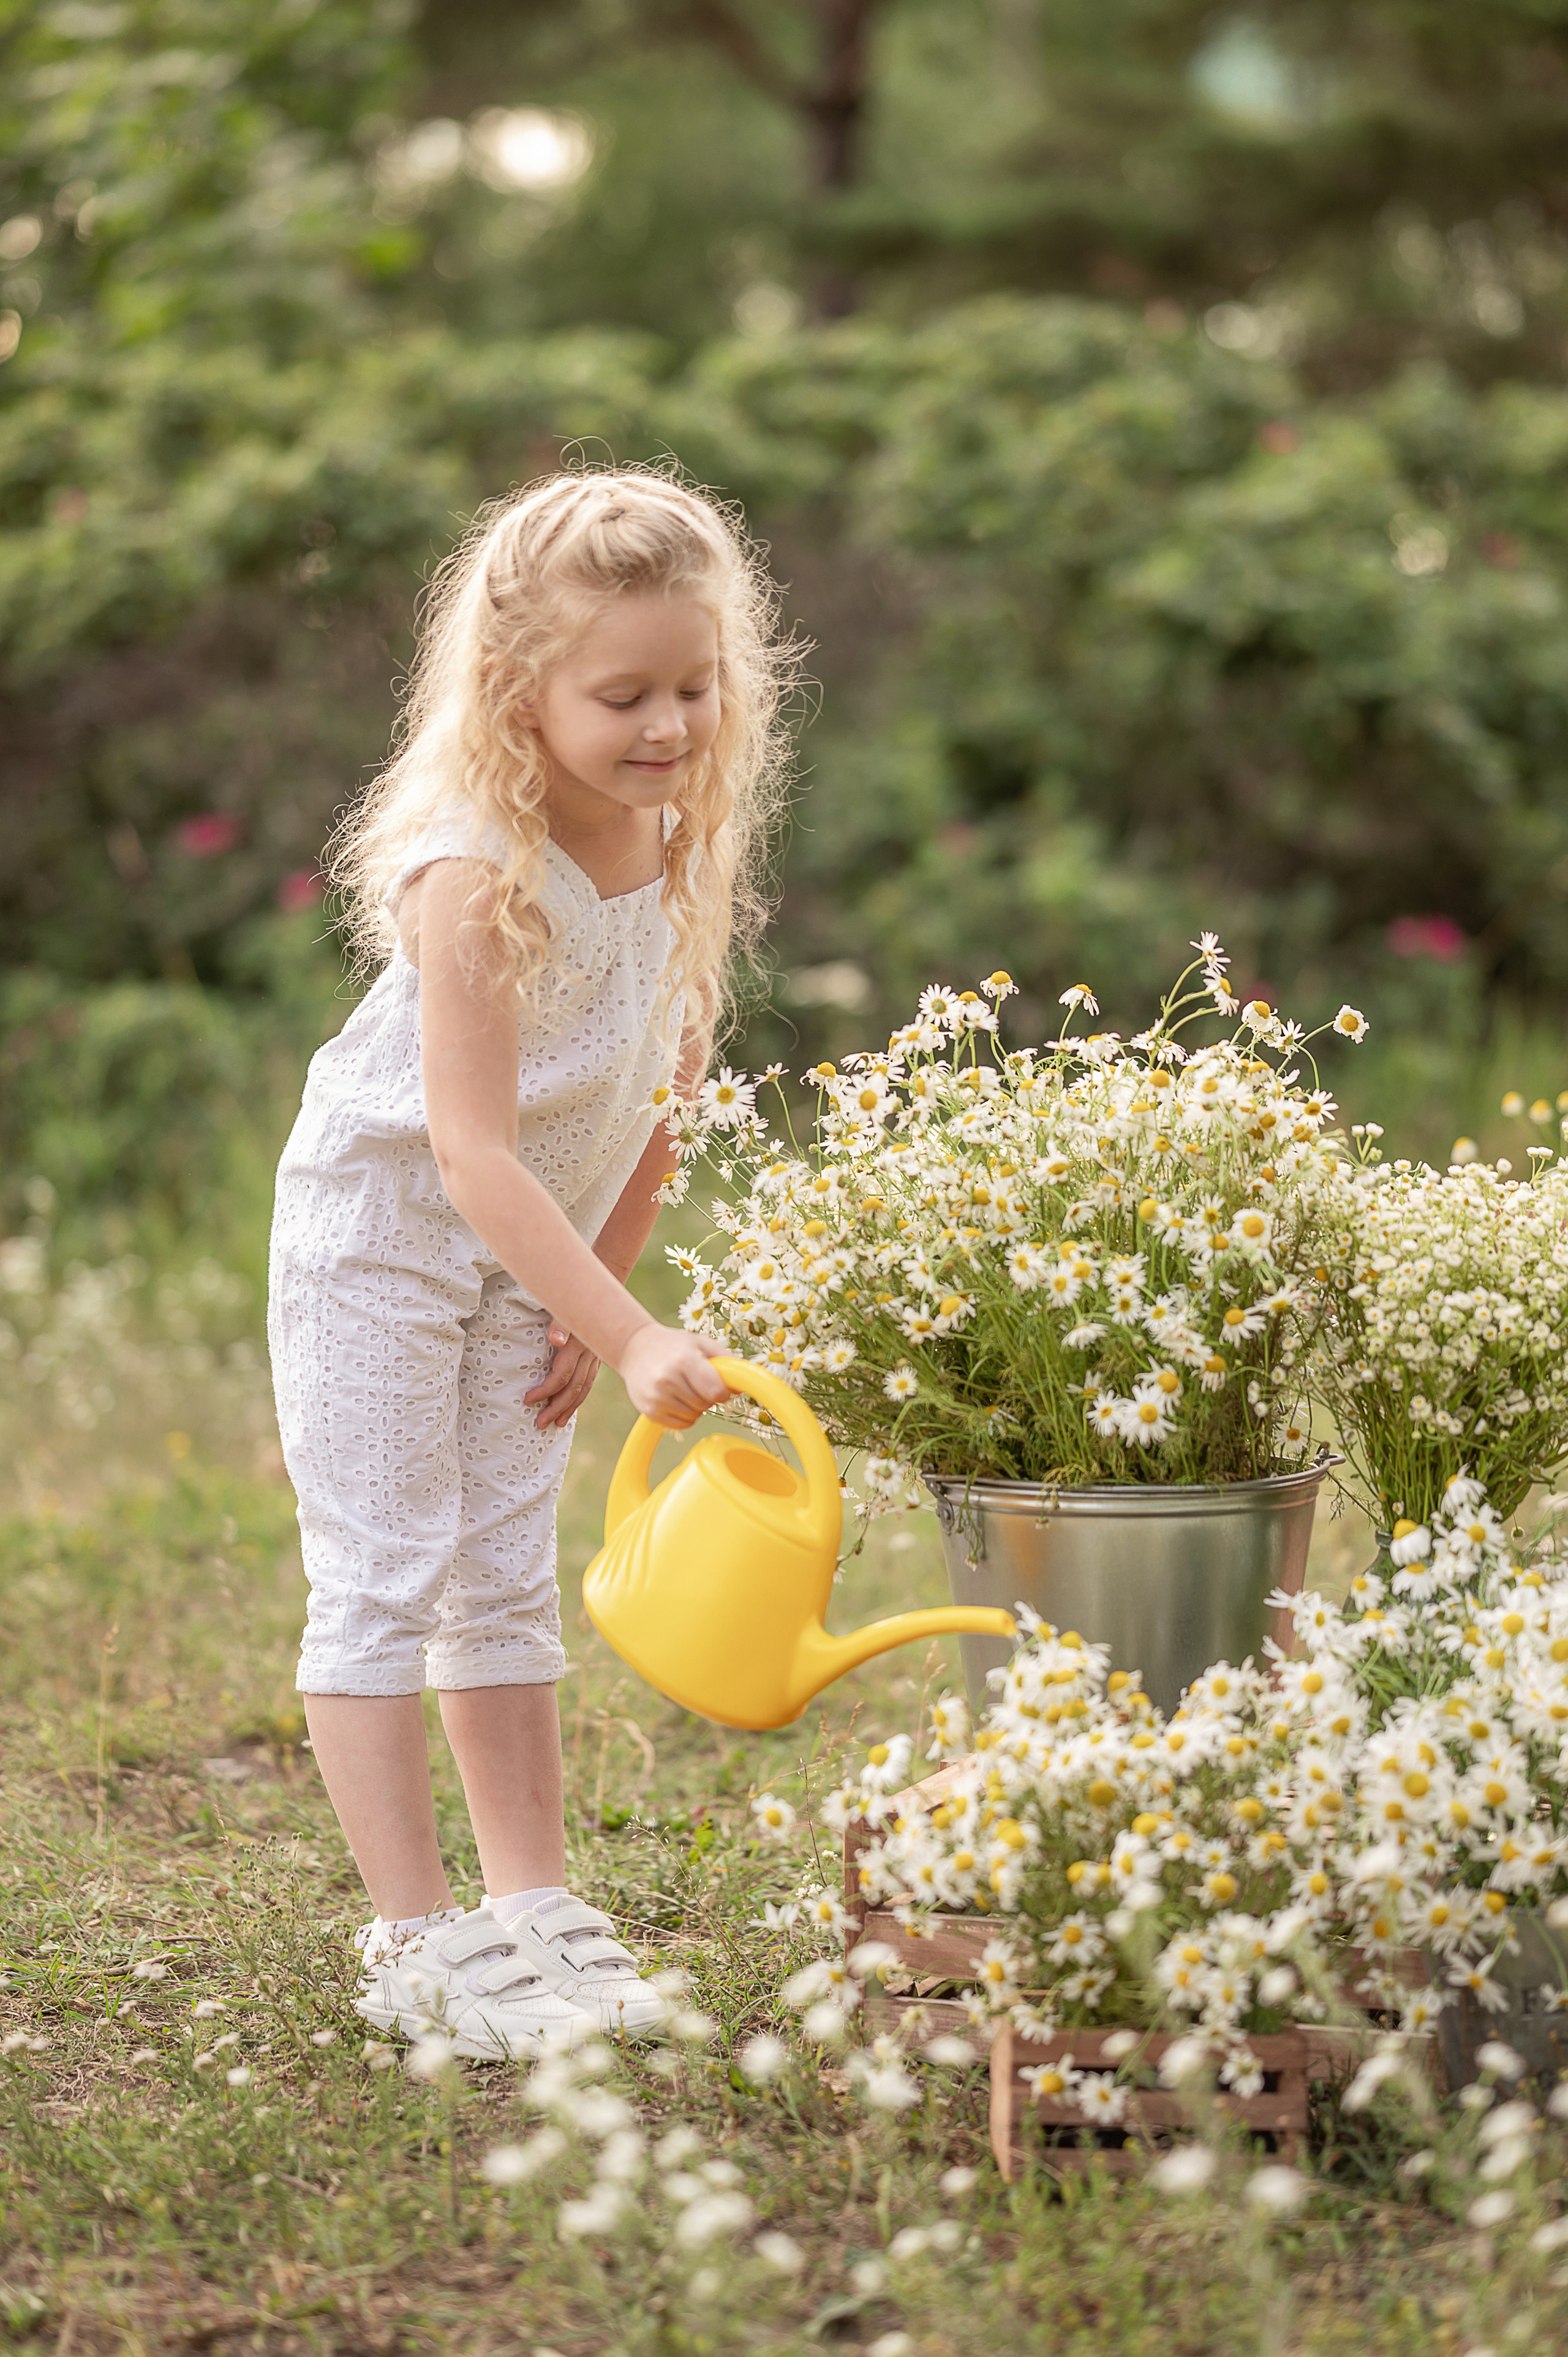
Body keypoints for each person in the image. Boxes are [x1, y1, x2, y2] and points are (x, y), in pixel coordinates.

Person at [267, 469, 795, 2057]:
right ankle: (414, 1942)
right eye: (623, 696)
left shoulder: (674, 838)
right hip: (382, 1243)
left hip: (529, 1261)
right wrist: (631, 1334)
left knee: (503, 1572)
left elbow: (663, 1087)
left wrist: (591, 1296)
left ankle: (531, 1907)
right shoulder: (476, 872)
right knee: (387, 1572)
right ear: (519, 692)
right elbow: (471, 1152)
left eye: (696, 686)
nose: (670, 725)